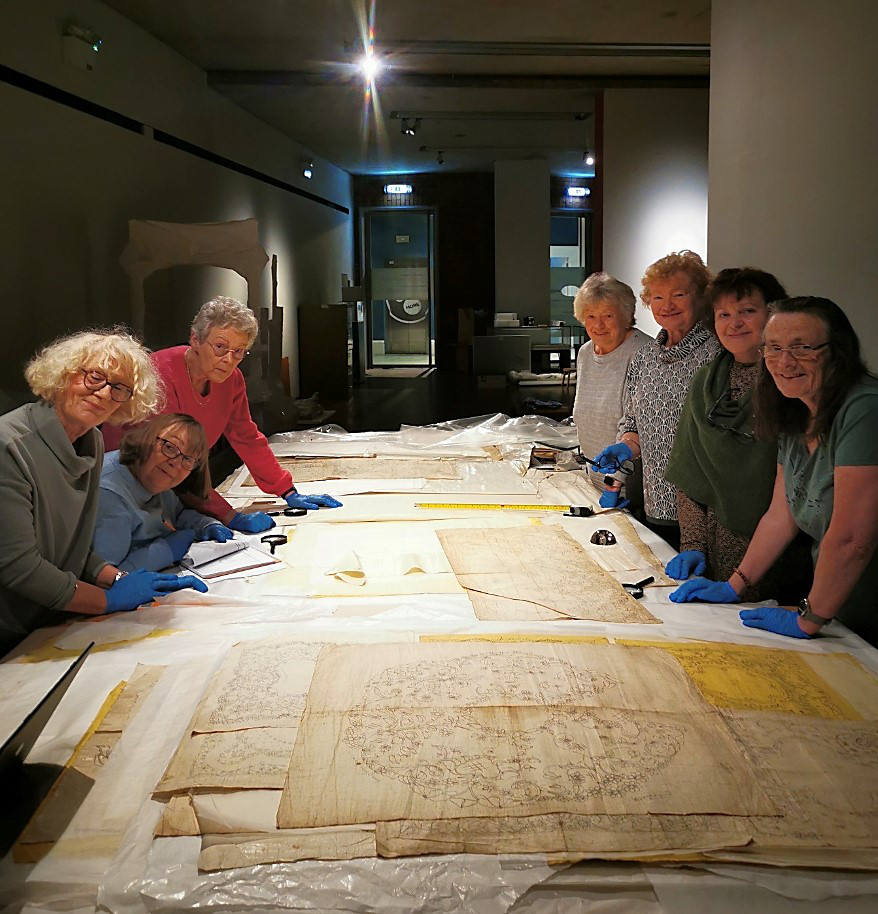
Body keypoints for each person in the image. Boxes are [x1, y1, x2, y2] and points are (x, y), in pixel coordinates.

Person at [670, 297, 878, 645]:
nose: (784, 361)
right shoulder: (796, 410)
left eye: (803, 348)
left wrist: (809, 619)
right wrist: (735, 584)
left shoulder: (864, 410)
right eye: (774, 347)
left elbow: (852, 538)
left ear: (837, 352)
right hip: (842, 606)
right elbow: (781, 514)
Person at [0, 329, 207, 656]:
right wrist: (106, 600)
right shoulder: (9, 447)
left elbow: (73, 547)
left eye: (120, 388)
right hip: (9, 631)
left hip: (50, 619)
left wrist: (118, 578)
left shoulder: (90, 442)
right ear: (63, 373)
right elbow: (19, 567)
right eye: (95, 377)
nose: (104, 393)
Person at [103, 296, 341, 533]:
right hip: (126, 484)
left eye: (239, 351)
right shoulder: (160, 376)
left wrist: (286, 490)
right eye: (220, 347)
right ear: (195, 339)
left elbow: (245, 435)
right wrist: (228, 515)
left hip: (174, 480)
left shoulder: (231, 380)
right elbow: (168, 460)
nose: (229, 360)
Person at [664, 268, 809, 599]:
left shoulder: (789, 383)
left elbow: (793, 492)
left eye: (747, 311)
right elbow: (690, 473)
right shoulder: (706, 383)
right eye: (723, 314)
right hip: (715, 554)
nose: (734, 323)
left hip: (783, 556)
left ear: (774, 314)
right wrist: (693, 544)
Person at [594, 251, 721, 549]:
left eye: (679, 294)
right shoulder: (646, 356)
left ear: (701, 297)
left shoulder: (716, 355)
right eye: (658, 297)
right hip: (654, 504)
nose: (667, 306)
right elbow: (633, 421)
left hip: (704, 512)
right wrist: (625, 448)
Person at [95, 413, 236, 572]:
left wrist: (206, 525)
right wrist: (165, 551)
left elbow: (177, 513)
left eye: (188, 459)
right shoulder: (110, 493)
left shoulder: (150, 474)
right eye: (169, 447)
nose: (175, 463)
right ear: (146, 438)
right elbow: (108, 576)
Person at [570, 272, 651, 507]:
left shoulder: (644, 353)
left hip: (630, 489)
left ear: (626, 316)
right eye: (591, 316)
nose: (598, 324)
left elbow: (638, 427)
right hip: (593, 484)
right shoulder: (586, 353)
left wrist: (615, 482)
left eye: (608, 315)